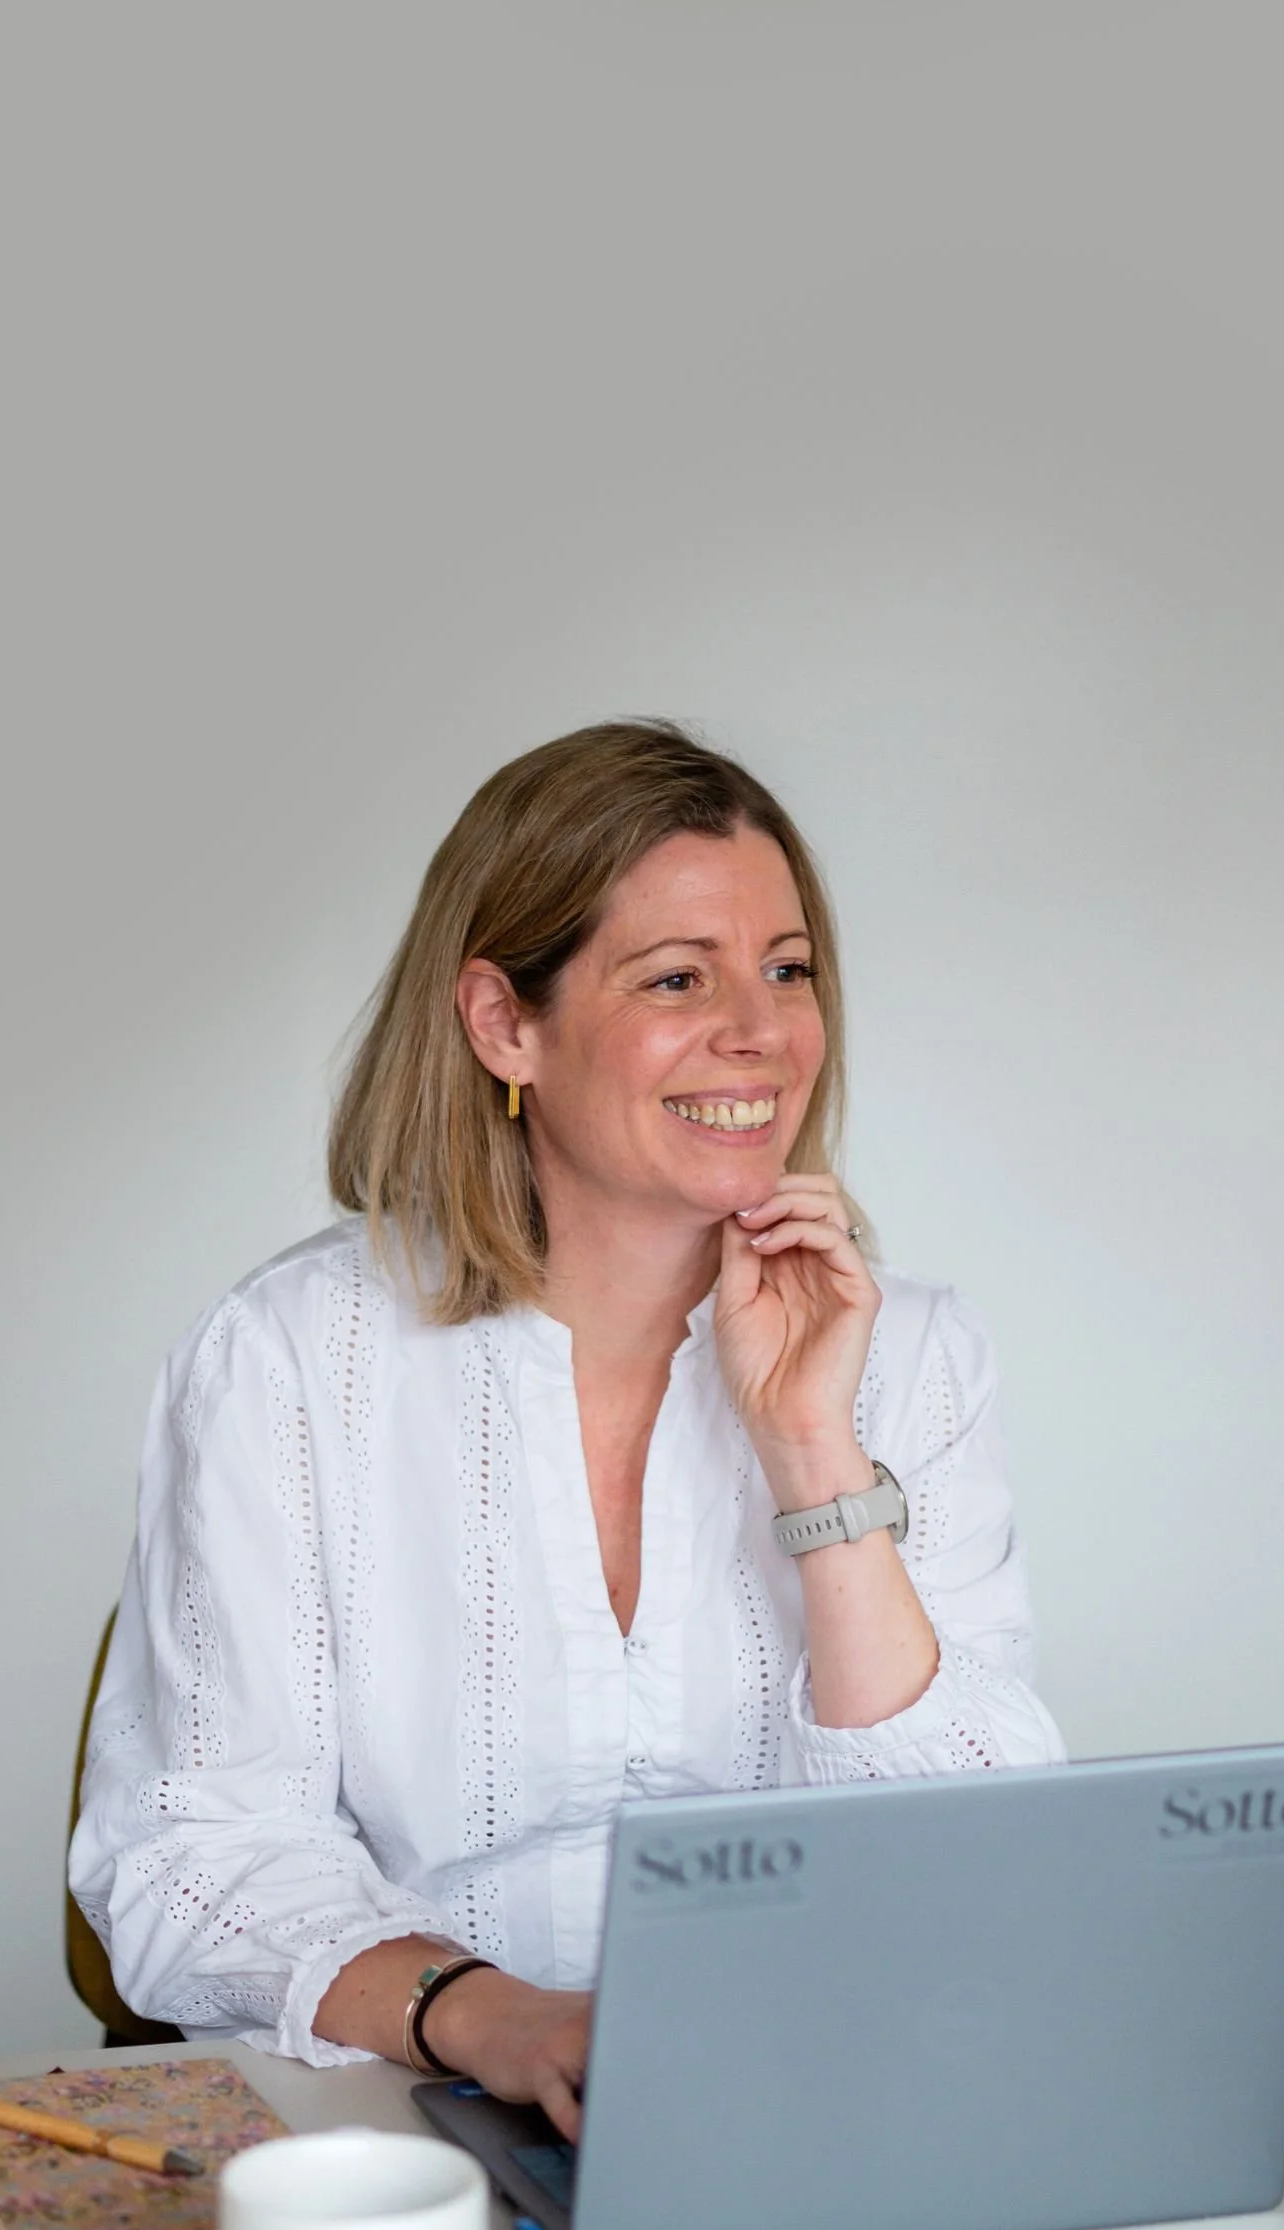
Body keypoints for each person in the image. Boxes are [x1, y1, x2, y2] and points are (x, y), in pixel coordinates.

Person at [69, 720, 1063, 2140]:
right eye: (678, 978)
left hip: (834, 2098)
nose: (761, 1034)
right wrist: (494, 2018)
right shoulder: (291, 1359)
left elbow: (987, 1873)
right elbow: (188, 1857)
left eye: (788, 971)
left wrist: (812, 1455)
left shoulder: (911, 1354)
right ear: (502, 1025)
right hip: (420, 2110)